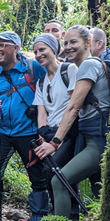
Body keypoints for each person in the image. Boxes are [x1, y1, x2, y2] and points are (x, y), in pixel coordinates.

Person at [35, 26, 110, 219]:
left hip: (97, 139)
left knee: (60, 180)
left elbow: (73, 107)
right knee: (100, 189)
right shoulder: (83, 67)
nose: (68, 47)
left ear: (88, 43)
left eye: (73, 42)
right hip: (89, 138)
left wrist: (55, 143)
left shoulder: (88, 65)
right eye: (66, 42)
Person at [0, 31, 48, 221]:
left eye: (2, 45)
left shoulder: (33, 68)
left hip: (30, 133)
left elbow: (51, 87)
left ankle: (39, 216)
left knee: (38, 177)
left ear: (16, 48)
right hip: (2, 133)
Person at [32, 34, 79, 219]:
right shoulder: (41, 82)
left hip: (68, 133)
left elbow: (75, 106)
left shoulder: (69, 70)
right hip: (50, 135)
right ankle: (60, 213)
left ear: (54, 49)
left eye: (42, 49)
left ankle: (70, 215)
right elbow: (41, 113)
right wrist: (44, 138)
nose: (38, 54)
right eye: (36, 51)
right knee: (52, 173)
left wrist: (56, 142)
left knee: (57, 173)